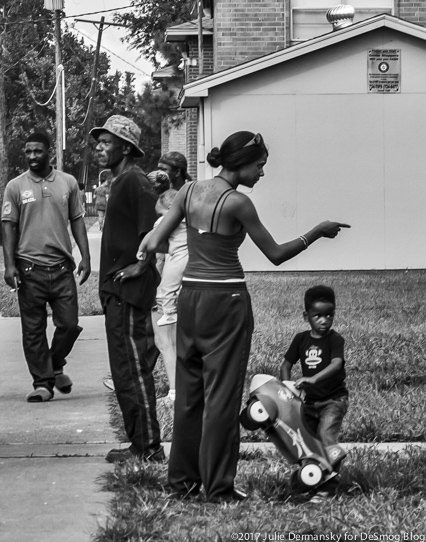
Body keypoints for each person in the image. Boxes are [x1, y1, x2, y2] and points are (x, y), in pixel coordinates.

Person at [135, 130, 349, 502]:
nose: (262, 173)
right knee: (222, 396)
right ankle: (218, 488)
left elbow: (154, 243)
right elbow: (276, 254)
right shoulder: (238, 203)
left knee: (189, 395)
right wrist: (316, 232)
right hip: (226, 300)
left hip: (190, 298)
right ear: (241, 164)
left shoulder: (187, 192)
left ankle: (181, 484)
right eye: (260, 166)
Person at [90, 115, 164, 464]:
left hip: (129, 293)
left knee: (133, 369)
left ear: (125, 147)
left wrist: (141, 264)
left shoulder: (136, 181)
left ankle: (148, 447)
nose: (100, 148)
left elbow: (154, 231)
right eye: (99, 142)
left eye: (107, 142)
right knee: (123, 371)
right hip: (116, 293)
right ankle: (139, 443)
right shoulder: (120, 181)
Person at [1, 132, 91, 403]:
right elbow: (9, 226)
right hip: (29, 269)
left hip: (62, 268)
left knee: (69, 324)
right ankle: (42, 383)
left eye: (37, 151)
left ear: (49, 152)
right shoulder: (15, 186)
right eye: (27, 152)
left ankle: (53, 364)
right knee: (33, 330)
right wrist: (8, 265)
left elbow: (77, 220)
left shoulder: (68, 182)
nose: (31, 156)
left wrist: (85, 257)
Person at [280, 285, 348, 504]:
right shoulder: (301, 340)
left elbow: (337, 364)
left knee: (327, 438)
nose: (324, 320)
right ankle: (311, 480)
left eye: (329, 315)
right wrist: (287, 386)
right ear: (306, 316)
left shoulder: (334, 339)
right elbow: (286, 364)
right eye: (317, 316)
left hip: (333, 401)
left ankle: (328, 489)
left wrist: (313, 378)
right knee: (305, 442)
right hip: (309, 403)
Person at [151, 189, 188, 404]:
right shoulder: (192, 225)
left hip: (168, 293)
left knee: (165, 341)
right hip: (192, 286)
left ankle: (174, 393)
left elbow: (155, 255)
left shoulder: (163, 223)